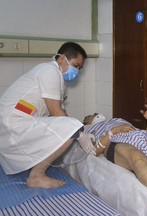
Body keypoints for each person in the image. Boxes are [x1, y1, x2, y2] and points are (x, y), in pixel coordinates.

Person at [0, 42, 96, 189]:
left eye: (80, 68)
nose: (77, 71)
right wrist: (80, 133)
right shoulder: (49, 71)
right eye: (76, 66)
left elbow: (59, 116)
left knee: (68, 126)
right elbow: (57, 113)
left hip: (17, 123)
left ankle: (33, 167)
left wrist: (77, 132)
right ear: (62, 59)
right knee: (71, 126)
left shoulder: (58, 79)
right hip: (11, 124)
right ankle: (37, 176)